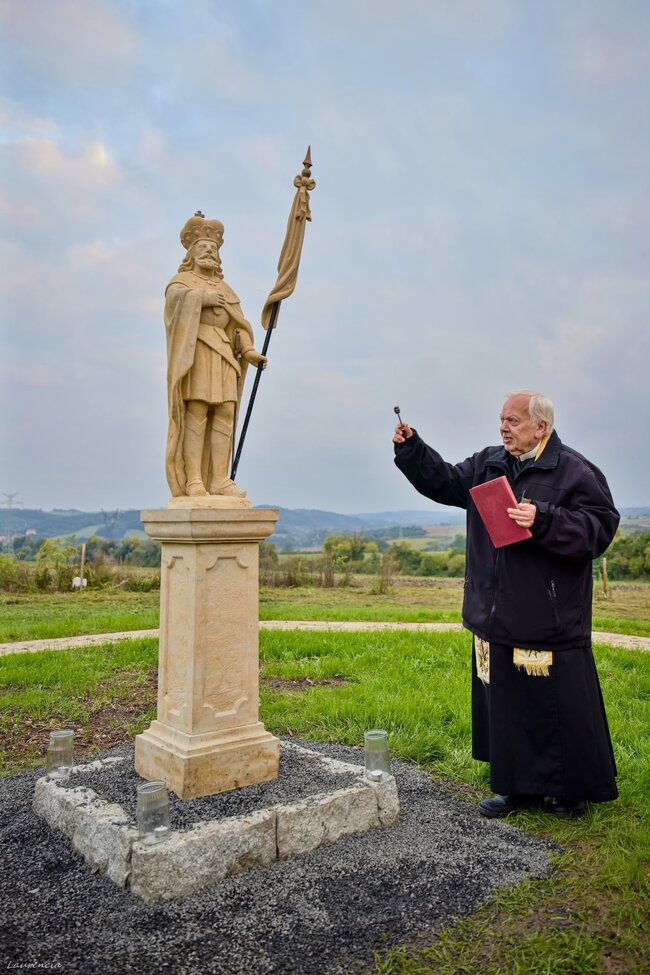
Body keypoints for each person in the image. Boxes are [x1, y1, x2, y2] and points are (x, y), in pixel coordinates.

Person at [393, 390, 619, 818]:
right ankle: (518, 790)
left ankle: (570, 794)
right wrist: (413, 449)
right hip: (495, 613)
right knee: (508, 707)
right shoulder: (489, 463)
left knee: (557, 707)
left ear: (541, 427)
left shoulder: (574, 471)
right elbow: (446, 482)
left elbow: (599, 528)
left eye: (512, 421)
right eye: (501, 420)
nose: (503, 428)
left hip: (548, 616)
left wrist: (543, 518)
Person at [164, 212, 267, 498]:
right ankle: (195, 480)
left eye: (213, 248)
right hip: (197, 351)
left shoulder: (226, 288)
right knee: (197, 410)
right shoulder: (181, 282)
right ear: (191, 253)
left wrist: (248, 351)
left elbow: (238, 325)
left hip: (224, 355)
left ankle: (219, 479)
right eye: (203, 246)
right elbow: (173, 306)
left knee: (225, 412)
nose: (209, 251)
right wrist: (201, 298)